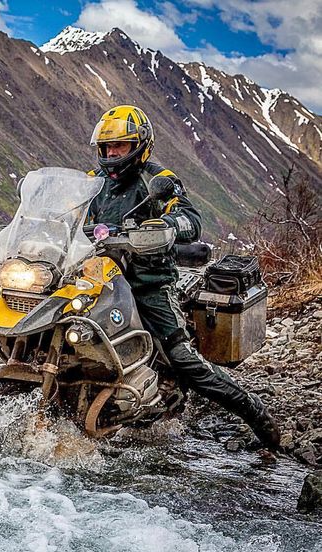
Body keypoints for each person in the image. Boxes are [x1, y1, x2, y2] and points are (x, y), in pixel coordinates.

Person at [87, 104, 280, 449]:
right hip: (95, 279)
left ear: (139, 145)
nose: (113, 153)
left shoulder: (158, 181)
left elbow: (190, 219)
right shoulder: (91, 183)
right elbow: (65, 216)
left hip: (147, 283)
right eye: (107, 147)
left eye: (121, 146)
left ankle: (257, 415)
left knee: (182, 358)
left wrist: (164, 225)